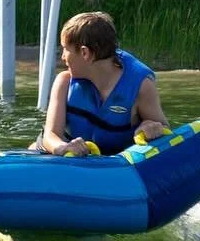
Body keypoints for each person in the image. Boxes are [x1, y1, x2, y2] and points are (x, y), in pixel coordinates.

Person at [37, 11, 169, 156]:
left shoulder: (141, 86)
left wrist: (152, 128)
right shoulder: (64, 82)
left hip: (117, 163)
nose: (62, 57)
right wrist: (63, 148)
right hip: (64, 157)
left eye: (65, 49)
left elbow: (164, 129)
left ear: (84, 53)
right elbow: (50, 136)